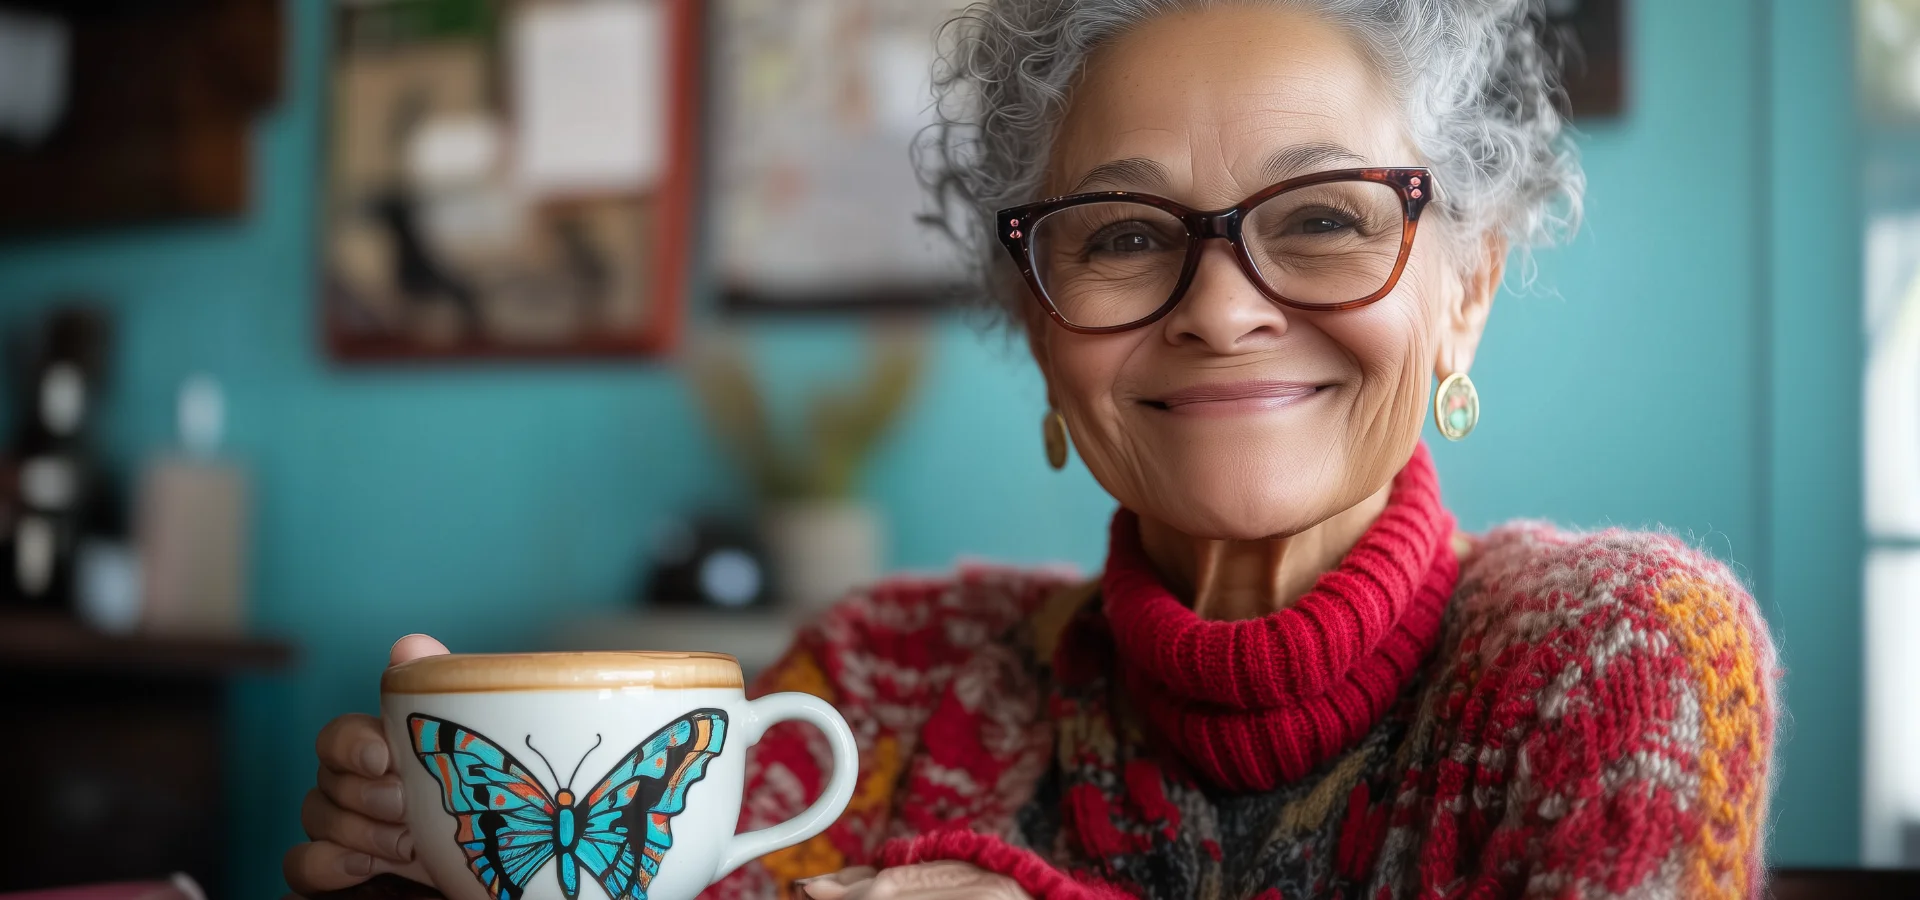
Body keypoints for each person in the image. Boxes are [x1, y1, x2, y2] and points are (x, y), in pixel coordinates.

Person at [285, 1, 1779, 897]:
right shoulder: (876, 688)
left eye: (1323, 217)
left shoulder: (1613, 662)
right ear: (1040, 326)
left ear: (1466, 291)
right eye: (1124, 238)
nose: (1220, 308)